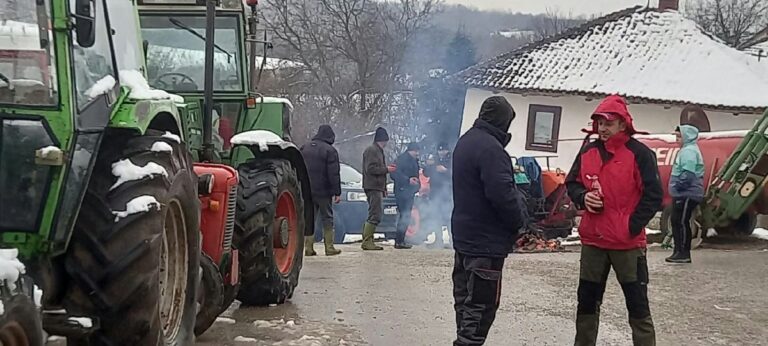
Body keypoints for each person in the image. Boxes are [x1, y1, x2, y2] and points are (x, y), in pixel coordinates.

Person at [566, 95, 663, 346]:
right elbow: (572, 183)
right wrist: (583, 197)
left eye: (608, 123)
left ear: (623, 124)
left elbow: (653, 196)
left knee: (637, 305)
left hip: (627, 245)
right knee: (586, 303)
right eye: (599, 122)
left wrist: (631, 226)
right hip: (593, 241)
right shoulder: (588, 151)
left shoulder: (640, 154)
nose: (602, 128)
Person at [451, 96, 528, 346]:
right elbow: (502, 195)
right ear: (503, 122)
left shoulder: (465, 143)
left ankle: (464, 339)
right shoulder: (492, 150)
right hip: (486, 241)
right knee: (481, 306)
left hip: (464, 237)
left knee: (464, 302)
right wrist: (519, 224)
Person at [301, 125, 342, 257]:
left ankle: (308, 247)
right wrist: (337, 192)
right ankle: (329, 247)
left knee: (309, 218)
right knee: (327, 218)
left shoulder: (304, 148)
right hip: (324, 191)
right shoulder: (330, 151)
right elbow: (333, 174)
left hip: (306, 190)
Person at [667, 124, 704, 264]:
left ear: (687, 137)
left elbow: (688, 174)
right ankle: (679, 251)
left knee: (681, 222)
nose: (677, 139)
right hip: (683, 193)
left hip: (686, 193)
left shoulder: (689, 152)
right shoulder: (687, 150)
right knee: (677, 221)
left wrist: (678, 186)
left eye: (679, 136)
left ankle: (683, 252)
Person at [361, 127, 394, 251]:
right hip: (372, 186)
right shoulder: (372, 151)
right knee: (375, 214)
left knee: (374, 213)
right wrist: (387, 170)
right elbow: (371, 169)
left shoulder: (378, 151)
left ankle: (368, 239)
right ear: (383, 140)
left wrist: (383, 188)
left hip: (376, 186)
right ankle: (367, 241)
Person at [391, 143, 421, 249]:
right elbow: (394, 174)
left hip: (409, 192)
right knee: (404, 215)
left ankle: (401, 239)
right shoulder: (401, 159)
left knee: (406, 216)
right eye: (416, 151)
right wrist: (407, 180)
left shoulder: (414, 160)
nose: (417, 153)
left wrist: (417, 186)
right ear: (411, 150)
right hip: (402, 191)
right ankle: (399, 240)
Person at [423, 142, 453, 247]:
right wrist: (428, 165)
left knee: (449, 217)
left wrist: (446, 170)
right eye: (439, 150)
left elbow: (457, 172)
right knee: (436, 217)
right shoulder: (434, 159)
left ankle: (452, 239)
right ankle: (438, 239)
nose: (441, 153)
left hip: (447, 192)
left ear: (447, 151)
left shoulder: (452, 159)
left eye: (443, 150)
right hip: (435, 191)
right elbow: (425, 173)